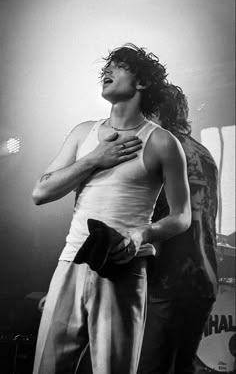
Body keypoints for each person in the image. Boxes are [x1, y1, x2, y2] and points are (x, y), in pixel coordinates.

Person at [32, 44, 191, 374]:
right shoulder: (83, 132)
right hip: (71, 261)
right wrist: (95, 159)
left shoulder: (161, 141)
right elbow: (41, 191)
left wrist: (142, 233)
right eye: (108, 66)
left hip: (124, 267)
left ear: (142, 82)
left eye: (119, 66)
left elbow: (182, 215)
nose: (107, 71)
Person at [137, 84, 219, 374]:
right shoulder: (204, 152)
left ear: (156, 112)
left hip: (167, 278)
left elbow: (150, 216)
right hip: (203, 278)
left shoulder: (162, 148)